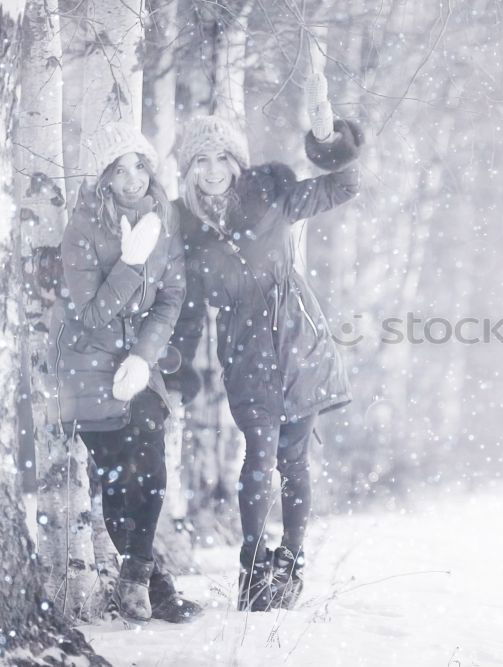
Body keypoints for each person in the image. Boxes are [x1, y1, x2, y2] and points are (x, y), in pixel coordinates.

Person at [170, 74, 364, 611]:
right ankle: (253, 570)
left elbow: (344, 186)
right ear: (189, 170)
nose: (213, 171)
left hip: (299, 334)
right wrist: (173, 367)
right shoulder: (181, 226)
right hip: (243, 345)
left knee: (294, 458)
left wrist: (329, 141)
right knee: (259, 453)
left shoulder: (272, 191)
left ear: (237, 161)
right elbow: (183, 306)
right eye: (201, 161)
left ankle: (292, 560)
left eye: (221, 158)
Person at [49, 121, 202, 623]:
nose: (133, 178)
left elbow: (173, 297)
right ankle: (155, 590)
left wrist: (143, 356)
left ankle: (136, 571)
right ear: (105, 178)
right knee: (118, 480)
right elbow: (89, 313)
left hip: (139, 363)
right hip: (88, 366)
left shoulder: (165, 219)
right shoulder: (83, 228)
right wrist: (131, 263)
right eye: (121, 169)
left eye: (139, 165)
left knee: (152, 468)